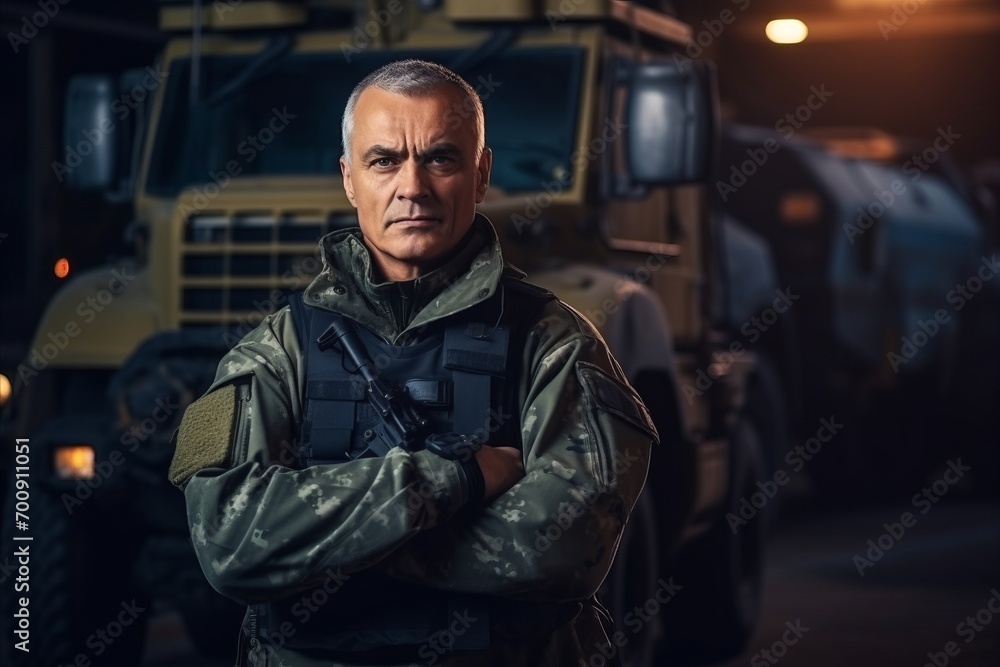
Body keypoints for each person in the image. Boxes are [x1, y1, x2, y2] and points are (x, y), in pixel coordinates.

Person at [169, 59, 657, 667]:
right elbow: (231, 545)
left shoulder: (553, 343)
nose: (413, 187)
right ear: (350, 179)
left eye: (440, 159)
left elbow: (564, 549)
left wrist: (324, 548)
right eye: (383, 161)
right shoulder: (276, 350)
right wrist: (457, 481)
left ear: (481, 174)